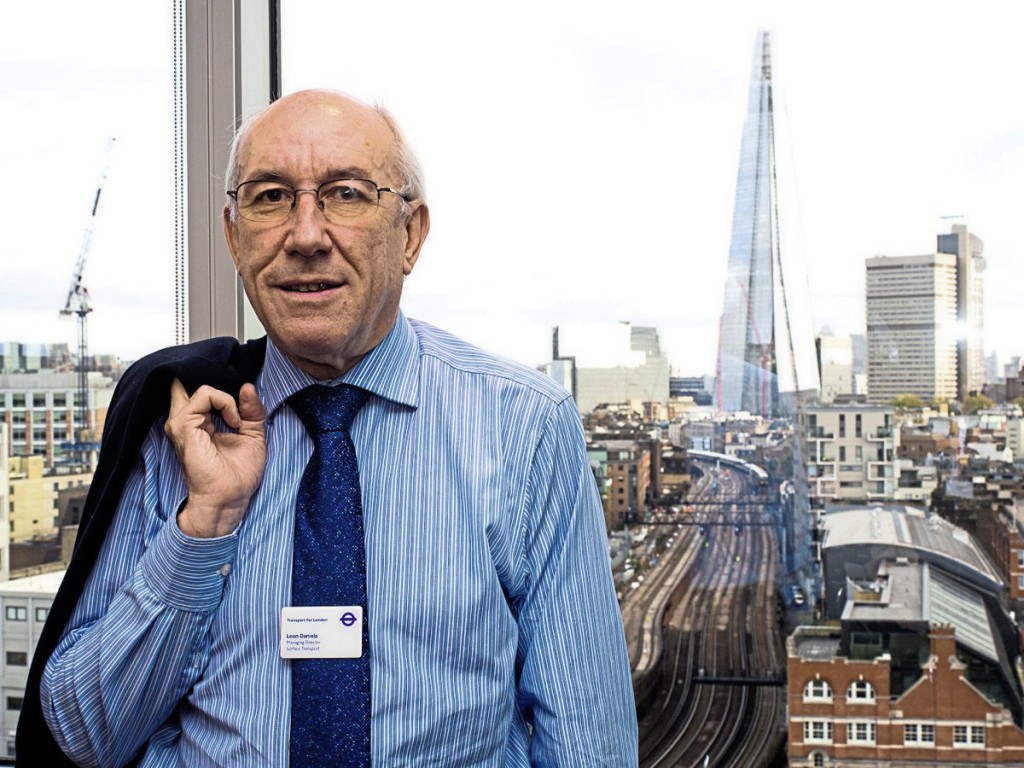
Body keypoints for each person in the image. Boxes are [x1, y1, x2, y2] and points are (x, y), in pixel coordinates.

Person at [18, 89, 637, 766]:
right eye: (271, 197)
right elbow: (84, 737)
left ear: (411, 234)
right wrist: (203, 526)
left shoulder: (526, 428)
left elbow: (588, 741)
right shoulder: (176, 427)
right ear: (233, 234)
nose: (306, 235)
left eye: (345, 194)